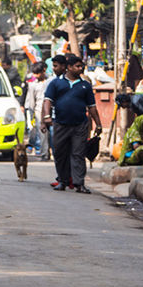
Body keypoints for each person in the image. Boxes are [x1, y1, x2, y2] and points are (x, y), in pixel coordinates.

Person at [42, 55, 102, 194]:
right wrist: (46, 117)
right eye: (77, 66)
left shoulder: (85, 86)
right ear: (69, 67)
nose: (81, 69)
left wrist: (98, 125)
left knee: (78, 154)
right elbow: (47, 101)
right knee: (60, 153)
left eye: (82, 66)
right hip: (60, 124)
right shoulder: (56, 83)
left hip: (80, 125)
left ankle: (79, 183)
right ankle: (62, 181)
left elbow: (92, 106)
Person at [44, 54, 69, 185]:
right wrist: (45, 120)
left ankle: (70, 178)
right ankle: (61, 177)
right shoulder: (52, 82)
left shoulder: (75, 82)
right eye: (53, 66)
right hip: (55, 120)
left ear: (64, 66)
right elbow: (46, 101)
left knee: (71, 151)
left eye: (55, 66)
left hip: (71, 121)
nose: (53, 68)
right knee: (57, 151)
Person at [25, 62, 49, 159]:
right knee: (43, 133)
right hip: (39, 110)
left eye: (37, 73)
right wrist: (31, 115)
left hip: (52, 110)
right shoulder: (32, 85)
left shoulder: (50, 81)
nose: (35, 75)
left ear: (43, 71)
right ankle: (44, 153)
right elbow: (31, 101)